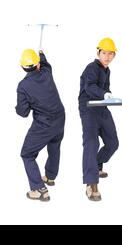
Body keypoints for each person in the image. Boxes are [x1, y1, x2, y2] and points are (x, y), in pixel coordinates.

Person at [16, 49, 65, 201]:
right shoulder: (47, 73)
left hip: (44, 123)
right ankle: (50, 177)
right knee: (54, 145)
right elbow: (46, 64)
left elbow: (23, 112)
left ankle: (39, 189)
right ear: (38, 64)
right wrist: (42, 54)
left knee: (27, 154)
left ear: (22, 67)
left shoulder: (23, 86)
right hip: (60, 118)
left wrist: (22, 105)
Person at [78, 37, 119, 201]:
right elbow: (89, 87)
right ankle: (91, 183)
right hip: (88, 109)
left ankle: (96, 164)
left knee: (113, 143)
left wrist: (108, 96)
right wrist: (104, 94)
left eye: (111, 54)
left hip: (101, 107)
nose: (107, 56)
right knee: (91, 143)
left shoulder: (107, 70)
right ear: (98, 53)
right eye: (104, 53)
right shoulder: (91, 68)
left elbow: (104, 89)